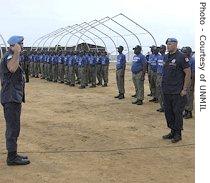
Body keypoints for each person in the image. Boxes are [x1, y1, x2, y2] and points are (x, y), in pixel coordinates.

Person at [0, 35, 30, 165]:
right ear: (14, 45)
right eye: (20, 44)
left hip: (13, 98)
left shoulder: (11, 56)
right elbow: (12, 68)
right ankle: (11, 158)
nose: (22, 46)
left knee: (14, 127)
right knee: (12, 128)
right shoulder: (9, 56)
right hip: (10, 98)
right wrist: (17, 52)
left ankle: (14, 154)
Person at [162, 38, 191, 143]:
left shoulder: (181, 57)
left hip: (177, 91)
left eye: (170, 44)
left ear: (175, 45)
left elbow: (188, 73)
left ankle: (178, 134)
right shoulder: (166, 56)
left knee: (177, 113)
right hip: (166, 90)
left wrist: (184, 89)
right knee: (168, 112)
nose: (168, 46)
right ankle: (172, 131)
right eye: (167, 44)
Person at [181, 46, 195, 119]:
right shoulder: (184, 59)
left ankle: (189, 112)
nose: (183, 54)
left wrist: (192, 84)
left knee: (189, 96)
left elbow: (193, 73)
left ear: (189, 52)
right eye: (183, 52)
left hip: (189, 80)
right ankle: (185, 111)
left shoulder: (192, 60)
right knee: (184, 96)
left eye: (185, 52)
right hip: (183, 80)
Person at [156, 45, 166, 112]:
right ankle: (162, 106)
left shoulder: (166, 57)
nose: (160, 50)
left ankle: (165, 107)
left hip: (164, 76)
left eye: (161, 48)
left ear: (164, 49)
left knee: (163, 92)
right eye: (159, 49)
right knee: (159, 91)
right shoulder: (159, 56)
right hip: (158, 75)